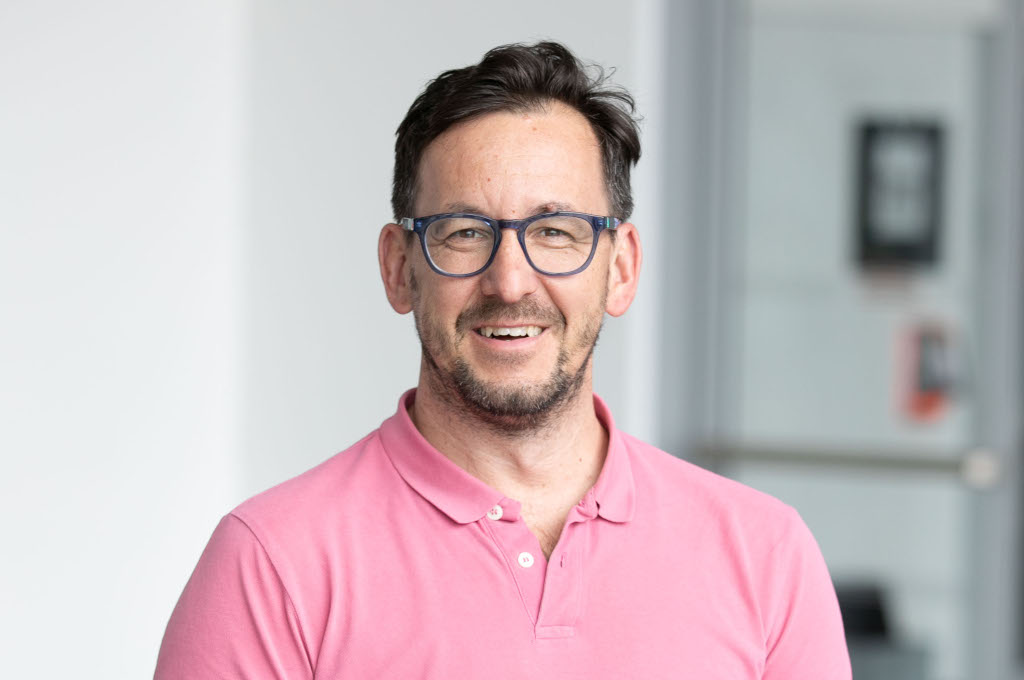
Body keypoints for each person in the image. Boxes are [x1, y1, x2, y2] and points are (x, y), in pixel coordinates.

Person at [155, 41, 851, 679]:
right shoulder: (271, 564)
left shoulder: (766, 557)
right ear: (399, 269)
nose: (510, 282)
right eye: (464, 232)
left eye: (556, 231)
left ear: (621, 268)